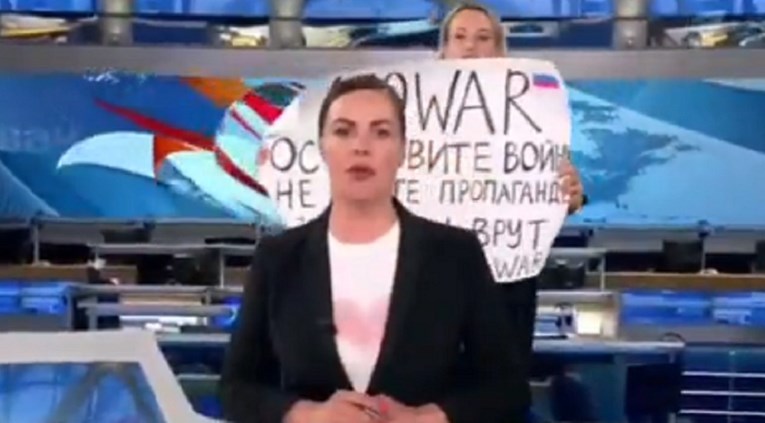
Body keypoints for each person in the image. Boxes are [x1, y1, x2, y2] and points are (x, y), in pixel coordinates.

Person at [219, 74, 529, 423]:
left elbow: (507, 388)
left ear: (403, 150)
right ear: (322, 147)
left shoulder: (456, 254)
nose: (361, 146)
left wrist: (427, 419)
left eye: (381, 132)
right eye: (343, 131)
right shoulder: (278, 258)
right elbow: (236, 389)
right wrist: (309, 415)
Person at [436, 3, 589, 420]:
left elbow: (550, 198)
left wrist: (571, 197)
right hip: (430, 300)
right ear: (443, 51)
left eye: (482, 38)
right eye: (460, 37)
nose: (470, 47)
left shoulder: (535, 122)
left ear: (501, 51)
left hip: (505, 297)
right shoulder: (408, 121)